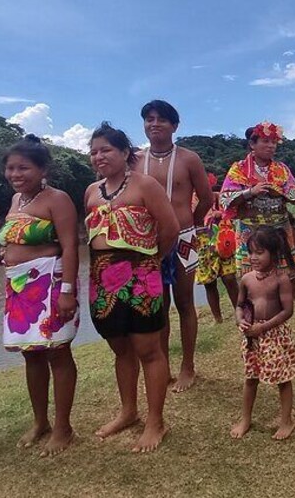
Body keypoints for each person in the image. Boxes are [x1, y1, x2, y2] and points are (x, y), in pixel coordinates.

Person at [85, 123, 178, 452]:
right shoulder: (92, 192)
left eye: (106, 150)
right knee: (120, 348)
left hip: (141, 274)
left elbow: (170, 230)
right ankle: (128, 411)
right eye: (94, 151)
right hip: (102, 278)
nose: (99, 156)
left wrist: (149, 262)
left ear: (125, 153)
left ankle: (156, 421)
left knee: (148, 349)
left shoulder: (145, 185)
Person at [0, 135, 80, 455]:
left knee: (57, 352)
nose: (16, 174)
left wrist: (68, 291)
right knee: (30, 354)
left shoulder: (57, 199)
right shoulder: (15, 201)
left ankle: (63, 427)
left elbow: (71, 246)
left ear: (43, 168)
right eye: (10, 168)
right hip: (18, 286)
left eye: (24, 168)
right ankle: (40, 421)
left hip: (49, 282)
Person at [135, 100, 212, 393]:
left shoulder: (189, 159)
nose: (154, 124)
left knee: (184, 302)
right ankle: (162, 366)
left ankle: (188, 366)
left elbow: (206, 197)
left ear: (174, 126)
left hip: (183, 238)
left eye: (161, 120)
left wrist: (189, 223)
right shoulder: (135, 160)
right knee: (159, 306)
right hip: (148, 243)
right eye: (149, 119)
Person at [220, 121, 295, 287]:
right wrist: (250, 192)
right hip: (250, 230)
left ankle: (286, 309)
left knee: (286, 277)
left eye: (274, 142)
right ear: (252, 144)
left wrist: (281, 193)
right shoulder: (238, 169)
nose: (271, 146)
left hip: (279, 229)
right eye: (265, 141)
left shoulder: (281, 169)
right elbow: (225, 198)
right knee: (254, 280)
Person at [230, 226, 295, 441]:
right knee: (250, 377)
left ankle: (287, 421)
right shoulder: (246, 279)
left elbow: (287, 311)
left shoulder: (282, 279)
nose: (253, 257)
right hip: (252, 337)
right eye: (251, 252)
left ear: (273, 252)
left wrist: (264, 327)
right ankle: (245, 419)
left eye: (260, 252)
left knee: (282, 379)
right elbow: (239, 305)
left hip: (274, 336)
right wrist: (240, 319)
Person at [195, 173, 239, 323]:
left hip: (223, 242)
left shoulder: (220, 197)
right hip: (201, 245)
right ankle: (218, 318)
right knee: (209, 283)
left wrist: (221, 215)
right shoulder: (190, 200)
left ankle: (240, 312)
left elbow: (232, 213)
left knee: (230, 278)